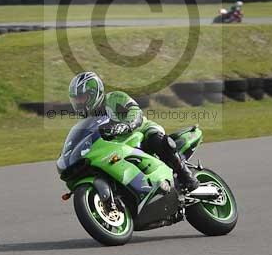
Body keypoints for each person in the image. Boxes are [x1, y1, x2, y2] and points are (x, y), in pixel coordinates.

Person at [68, 71, 199, 191]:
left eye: (82, 98)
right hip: (118, 146)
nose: (79, 103)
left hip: (140, 131)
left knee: (156, 139)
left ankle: (186, 176)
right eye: (76, 99)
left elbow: (135, 112)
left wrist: (126, 125)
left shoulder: (114, 98)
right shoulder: (87, 121)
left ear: (93, 93)